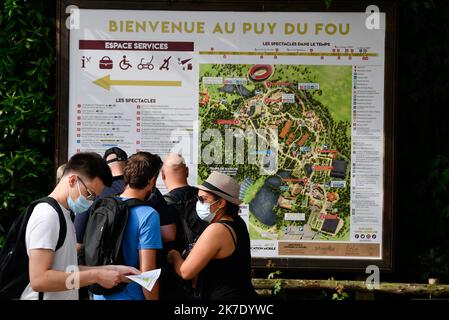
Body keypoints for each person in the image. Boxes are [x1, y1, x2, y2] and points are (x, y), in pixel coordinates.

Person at [21, 152, 139, 300]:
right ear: (72, 180)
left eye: (95, 197)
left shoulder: (64, 214)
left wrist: (109, 269)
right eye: (89, 193)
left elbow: (66, 269)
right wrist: (96, 275)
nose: (91, 201)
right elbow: (39, 280)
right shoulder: (48, 215)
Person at [167, 171, 257, 300]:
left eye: (204, 199)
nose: (199, 203)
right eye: (198, 198)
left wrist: (174, 255)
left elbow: (185, 272)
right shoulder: (237, 222)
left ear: (221, 203)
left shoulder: (217, 230)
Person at [93, 151, 163, 300]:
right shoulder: (148, 215)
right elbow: (147, 274)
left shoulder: (104, 205)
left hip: (100, 293)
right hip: (129, 295)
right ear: (151, 181)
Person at [74, 147, 127, 251]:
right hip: (135, 260)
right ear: (126, 164)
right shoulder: (141, 188)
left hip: (99, 259)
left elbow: (78, 238)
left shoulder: (95, 189)